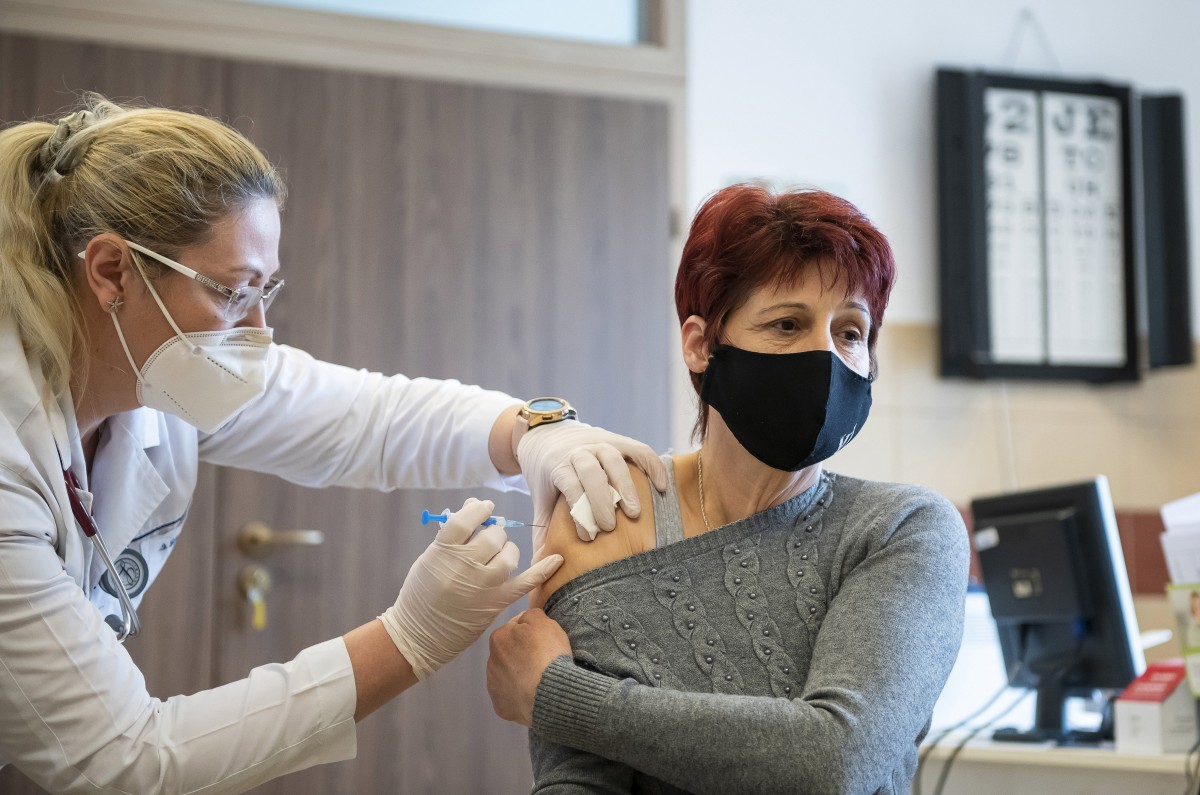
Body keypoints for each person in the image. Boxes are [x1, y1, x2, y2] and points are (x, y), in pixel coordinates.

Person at [0, 95, 667, 793]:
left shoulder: (158, 371)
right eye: (233, 291)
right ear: (112, 271)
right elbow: (130, 761)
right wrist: (409, 636)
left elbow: (370, 419)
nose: (258, 331)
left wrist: (535, 430)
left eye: (266, 290)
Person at [487, 184, 971, 794]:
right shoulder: (612, 515)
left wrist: (559, 696)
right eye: (787, 324)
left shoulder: (903, 528)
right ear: (700, 345)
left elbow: (837, 761)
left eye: (850, 332)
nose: (825, 357)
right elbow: (579, 782)